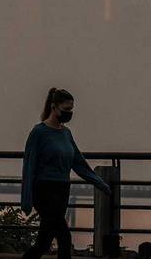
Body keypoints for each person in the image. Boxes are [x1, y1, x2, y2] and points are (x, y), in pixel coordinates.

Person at [20, 87, 112, 259]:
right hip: (44, 190)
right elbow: (29, 166)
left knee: (44, 242)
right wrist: (26, 199)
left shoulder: (66, 134)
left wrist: (99, 183)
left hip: (62, 190)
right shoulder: (39, 132)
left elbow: (78, 162)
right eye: (66, 109)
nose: (69, 113)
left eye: (71, 109)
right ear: (54, 107)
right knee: (64, 236)